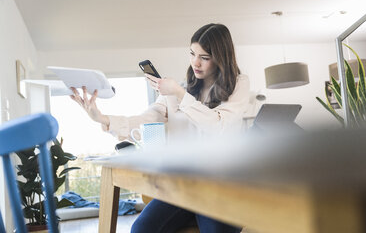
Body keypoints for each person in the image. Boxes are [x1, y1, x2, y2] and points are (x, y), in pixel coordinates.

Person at [70, 23, 250, 233]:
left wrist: (181, 95)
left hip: (222, 185)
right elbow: (147, 118)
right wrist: (102, 118)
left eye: (204, 57)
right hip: (182, 184)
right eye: (192, 54)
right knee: (141, 229)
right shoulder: (179, 90)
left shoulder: (238, 84)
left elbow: (219, 126)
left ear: (221, 58)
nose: (195, 62)